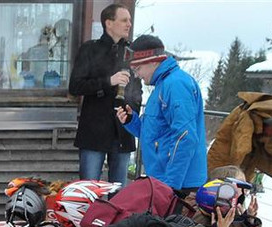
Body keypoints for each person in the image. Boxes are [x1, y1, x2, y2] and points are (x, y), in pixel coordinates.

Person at [116, 35, 207, 191]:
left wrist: (170, 186)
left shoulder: (176, 85)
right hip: (163, 180)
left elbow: (185, 137)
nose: (136, 75)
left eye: (138, 69)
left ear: (153, 61)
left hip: (179, 185)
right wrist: (131, 121)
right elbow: (154, 133)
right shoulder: (162, 85)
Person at [68, 4, 141, 185]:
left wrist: (132, 111)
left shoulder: (132, 53)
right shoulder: (89, 49)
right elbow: (75, 86)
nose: (129, 24)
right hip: (94, 130)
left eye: (130, 20)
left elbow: (138, 90)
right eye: (124, 20)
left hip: (122, 131)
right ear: (109, 23)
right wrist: (109, 81)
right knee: (89, 189)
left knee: (119, 193)